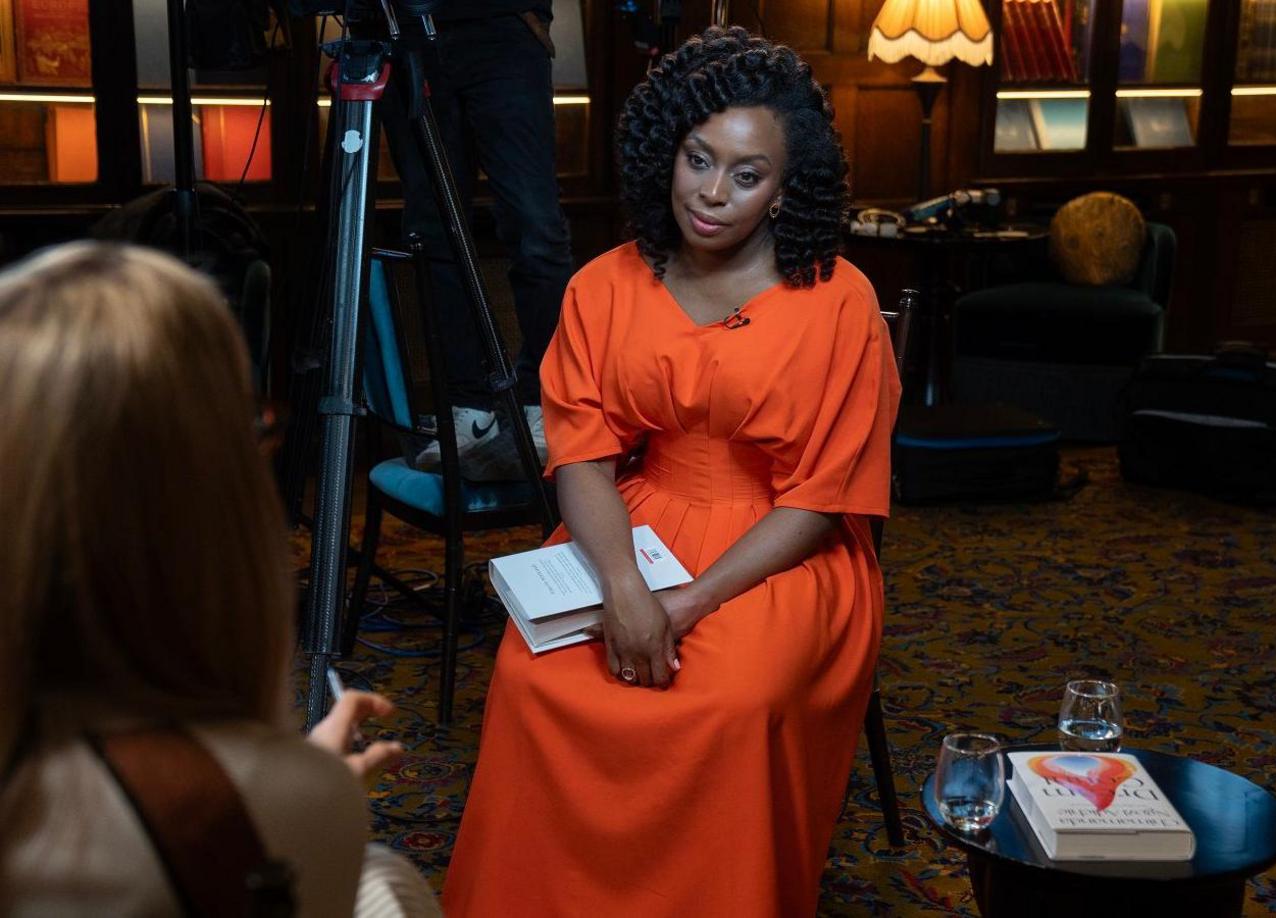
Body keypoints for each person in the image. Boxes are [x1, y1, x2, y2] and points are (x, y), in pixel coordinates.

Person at [442, 27, 900, 916]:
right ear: (667, 152)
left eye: (747, 173)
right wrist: (622, 586)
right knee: (533, 677)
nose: (714, 193)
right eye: (699, 159)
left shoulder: (839, 301)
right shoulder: (603, 284)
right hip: (636, 520)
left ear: (782, 189)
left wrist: (683, 605)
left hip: (782, 547)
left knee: (726, 701)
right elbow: (581, 454)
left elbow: (818, 499)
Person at [0, 242, 437, 917]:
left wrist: (264, 777)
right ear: (213, 498)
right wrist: (287, 792)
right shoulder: (289, 806)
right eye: (252, 428)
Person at [374, 0, 573, 480]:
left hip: (503, 23)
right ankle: (468, 405)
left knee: (535, 225)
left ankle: (542, 400)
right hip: (402, 29)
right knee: (431, 228)